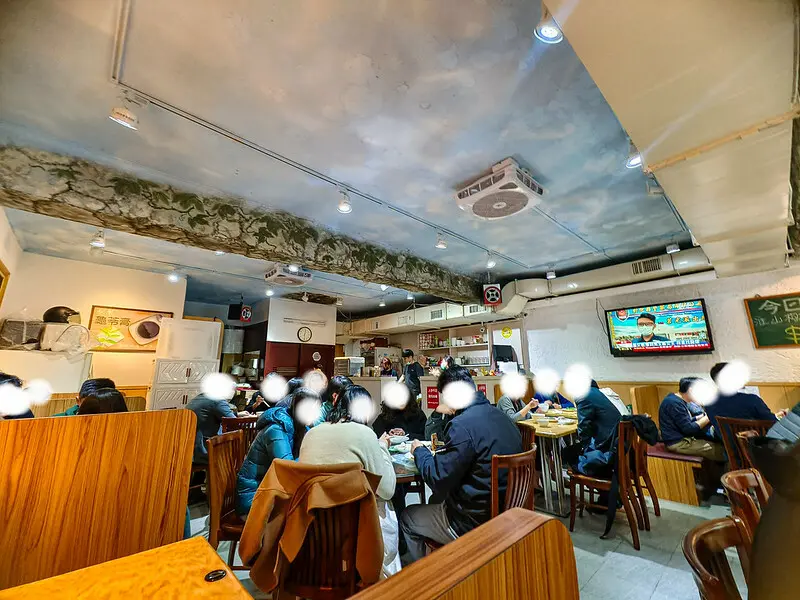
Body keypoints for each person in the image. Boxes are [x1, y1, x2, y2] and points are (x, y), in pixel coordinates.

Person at [401, 364, 523, 563]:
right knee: (436, 500)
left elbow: (438, 479)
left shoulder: (462, 426)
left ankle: (431, 575)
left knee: (408, 517)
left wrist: (419, 451)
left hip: (472, 523)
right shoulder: (504, 418)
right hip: (509, 515)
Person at [299, 385, 400, 578]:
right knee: (384, 505)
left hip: (311, 528)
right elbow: (387, 490)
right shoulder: (365, 434)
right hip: (354, 530)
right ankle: (384, 582)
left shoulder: (311, 434)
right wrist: (382, 446)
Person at [236, 388, 314, 516]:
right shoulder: (276, 429)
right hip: (254, 498)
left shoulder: (300, 427)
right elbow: (287, 468)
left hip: (272, 490)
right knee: (307, 509)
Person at [658, 377, 724, 461]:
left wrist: (700, 417)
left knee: (719, 444)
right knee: (722, 451)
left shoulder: (675, 399)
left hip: (683, 438)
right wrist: (709, 417)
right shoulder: (674, 403)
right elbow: (689, 429)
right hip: (678, 443)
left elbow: (684, 422)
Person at [705, 362, 778, 436]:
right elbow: (774, 424)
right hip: (759, 442)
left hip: (728, 443)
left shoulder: (708, 405)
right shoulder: (752, 400)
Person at [574, 380, 622, 476]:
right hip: (624, 450)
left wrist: (584, 449)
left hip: (610, 455)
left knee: (569, 455)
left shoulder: (583, 395)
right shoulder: (603, 393)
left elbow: (584, 428)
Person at [186, 391, 236, 465]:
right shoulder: (218, 400)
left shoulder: (199, 397)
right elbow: (234, 422)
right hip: (205, 450)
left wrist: (238, 414)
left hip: (188, 449)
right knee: (237, 451)